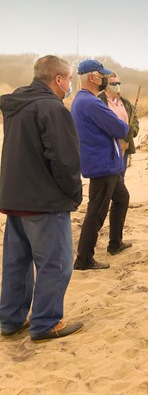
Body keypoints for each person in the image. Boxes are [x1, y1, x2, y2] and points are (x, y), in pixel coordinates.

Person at [0, 55, 84, 341]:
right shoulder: (51, 108)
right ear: (59, 79)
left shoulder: (15, 105)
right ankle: (46, 322)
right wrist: (73, 194)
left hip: (15, 198)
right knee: (56, 263)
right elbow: (64, 160)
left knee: (17, 263)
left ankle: (10, 319)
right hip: (44, 202)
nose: (70, 85)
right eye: (69, 80)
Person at [71, 60, 130, 270]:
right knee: (96, 213)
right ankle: (84, 259)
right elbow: (120, 128)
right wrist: (122, 126)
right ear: (91, 77)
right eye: (101, 75)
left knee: (122, 198)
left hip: (106, 163)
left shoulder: (82, 100)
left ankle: (115, 243)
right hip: (102, 165)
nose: (104, 79)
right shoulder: (91, 103)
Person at [98, 73, 139, 174]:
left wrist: (132, 132)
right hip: (108, 148)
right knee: (109, 178)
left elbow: (134, 119)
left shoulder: (125, 102)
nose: (116, 86)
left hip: (125, 145)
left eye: (118, 83)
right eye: (113, 83)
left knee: (121, 177)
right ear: (106, 85)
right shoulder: (99, 101)